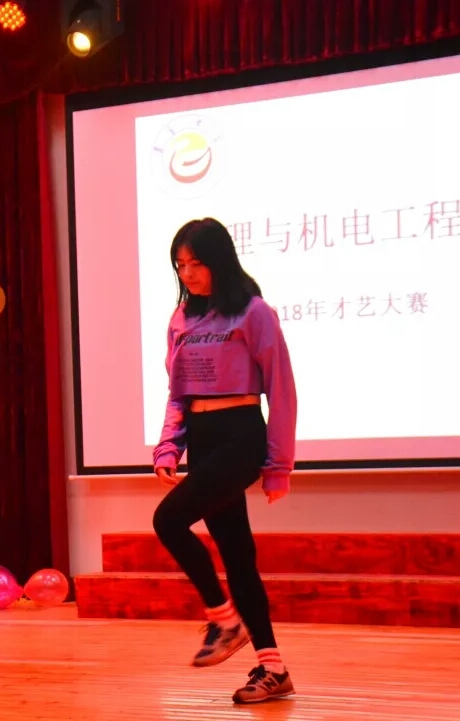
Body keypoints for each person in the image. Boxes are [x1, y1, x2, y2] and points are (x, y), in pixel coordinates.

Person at [151, 218, 297, 705]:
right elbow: (177, 394)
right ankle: (273, 669)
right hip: (203, 439)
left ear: (220, 260)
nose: (188, 273)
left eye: (196, 263)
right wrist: (168, 446)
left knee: (168, 520)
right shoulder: (181, 319)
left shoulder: (254, 313)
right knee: (237, 555)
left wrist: (278, 466)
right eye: (180, 265)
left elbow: (281, 390)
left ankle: (223, 618)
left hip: (240, 435)